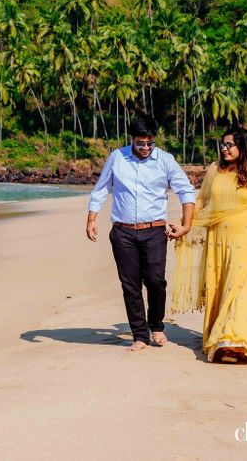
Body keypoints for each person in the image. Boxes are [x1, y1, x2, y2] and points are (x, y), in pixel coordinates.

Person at [87, 113, 197, 352]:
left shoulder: (165, 161)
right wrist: (92, 218)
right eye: (140, 143)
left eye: (150, 143)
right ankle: (140, 334)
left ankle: (156, 325)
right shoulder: (117, 158)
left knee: (156, 281)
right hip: (123, 232)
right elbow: (100, 189)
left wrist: (186, 224)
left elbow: (186, 191)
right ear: (132, 139)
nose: (146, 147)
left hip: (155, 230)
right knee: (130, 285)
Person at [171, 126, 247, 363]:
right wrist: (186, 225)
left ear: (243, 146)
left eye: (230, 144)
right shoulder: (215, 170)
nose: (224, 148)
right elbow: (202, 202)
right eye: (223, 144)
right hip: (219, 240)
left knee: (240, 289)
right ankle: (224, 340)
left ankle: (234, 342)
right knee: (222, 287)